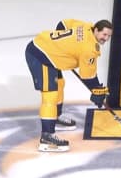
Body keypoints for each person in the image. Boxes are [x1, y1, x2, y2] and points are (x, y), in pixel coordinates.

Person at [25, 19, 113, 152]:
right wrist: (97, 92)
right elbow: (88, 76)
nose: (105, 38)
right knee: (50, 95)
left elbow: (63, 24)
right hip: (40, 56)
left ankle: (56, 116)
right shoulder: (89, 49)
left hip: (48, 50)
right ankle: (46, 137)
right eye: (104, 35)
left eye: (108, 36)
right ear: (96, 30)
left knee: (60, 84)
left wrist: (63, 46)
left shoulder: (85, 26)